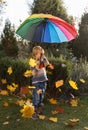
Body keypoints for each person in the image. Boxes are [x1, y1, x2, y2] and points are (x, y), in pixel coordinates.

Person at [30, 46, 49, 119]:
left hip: (43, 81)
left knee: (41, 96)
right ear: (34, 54)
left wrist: (43, 55)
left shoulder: (42, 60)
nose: (40, 54)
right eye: (38, 53)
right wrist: (37, 66)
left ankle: (38, 110)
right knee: (36, 97)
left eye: (40, 53)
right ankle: (34, 112)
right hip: (36, 82)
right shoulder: (32, 62)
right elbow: (34, 73)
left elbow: (47, 64)